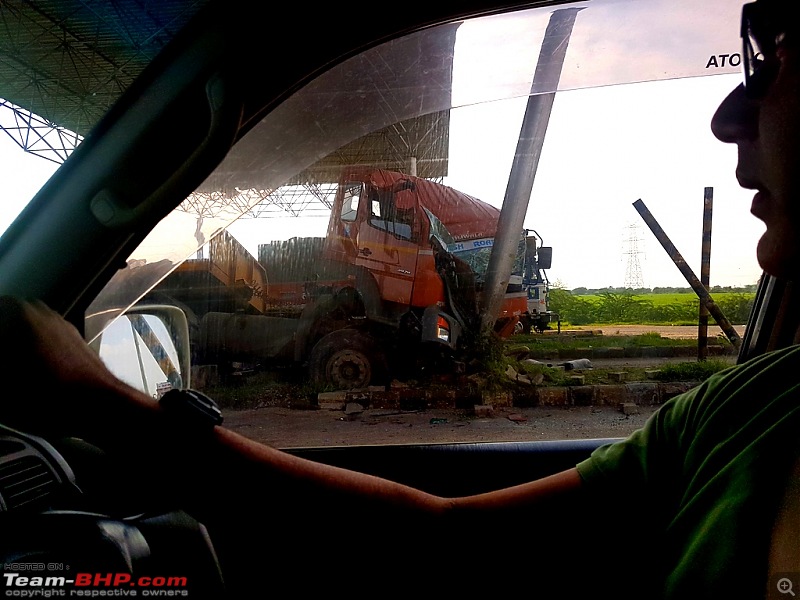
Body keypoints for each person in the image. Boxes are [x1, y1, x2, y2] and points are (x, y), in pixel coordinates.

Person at [0, 0, 796, 597]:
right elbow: (449, 542)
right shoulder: (740, 408)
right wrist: (104, 404)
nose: (731, 116)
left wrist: (89, 394)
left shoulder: (739, 414)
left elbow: (442, 545)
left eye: (780, 56)